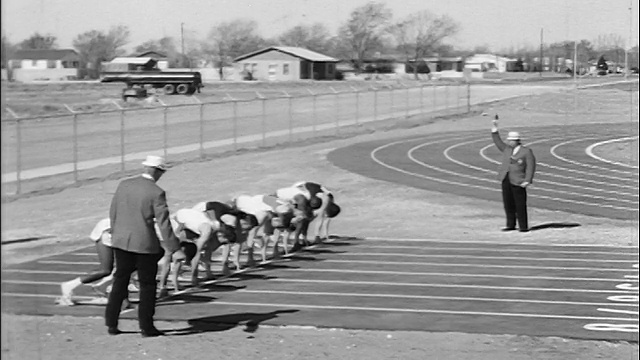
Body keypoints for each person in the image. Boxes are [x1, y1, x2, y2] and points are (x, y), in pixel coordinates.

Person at [105, 155, 183, 338]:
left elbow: (113, 211)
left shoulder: (124, 185)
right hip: (144, 244)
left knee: (120, 281)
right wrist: (175, 248)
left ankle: (111, 322)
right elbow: (164, 224)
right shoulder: (156, 192)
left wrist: (117, 233)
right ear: (158, 171)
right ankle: (146, 327)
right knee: (147, 286)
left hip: (121, 241)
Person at [491, 115, 536, 232]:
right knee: (508, 203)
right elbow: (497, 141)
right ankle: (510, 224)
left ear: (516, 141)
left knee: (520, 204)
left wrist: (528, 180)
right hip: (506, 178)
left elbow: (531, 166)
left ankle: (523, 226)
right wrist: (494, 128)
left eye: (511, 140)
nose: (508, 142)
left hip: (518, 180)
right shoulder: (507, 150)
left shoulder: (526, 151)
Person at [58, 218, 115, 306]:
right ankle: (69, 285)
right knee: (105, 270)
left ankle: (106, 287)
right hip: (107, 231)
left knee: (129, 266)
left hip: (121, 232)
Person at [193, 200, 257, 272]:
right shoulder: (232, 220)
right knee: (210, 240)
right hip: (200, 211)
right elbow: (227, 241)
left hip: (210, 212)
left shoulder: (236, 220)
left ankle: (207, 268)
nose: (246, 231)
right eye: (248, 228)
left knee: (214, 241)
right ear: (245, 222)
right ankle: (198, 262)